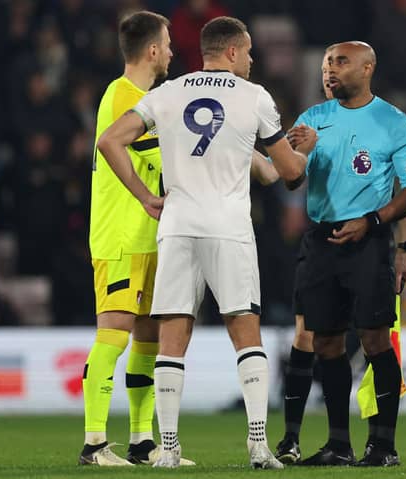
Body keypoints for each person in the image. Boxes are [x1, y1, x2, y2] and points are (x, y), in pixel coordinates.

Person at [96, 16, 307, 469]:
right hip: (228, 226)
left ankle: (167, 448)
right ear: (231, 52)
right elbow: (288, 174)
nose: (251, 60)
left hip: (176, 224)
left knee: (173, 335)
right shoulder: (253, 97)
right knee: (243, 330)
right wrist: (303, 153)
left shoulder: (167, 93)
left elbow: (110, 141)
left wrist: (147, 197)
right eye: (248, 52)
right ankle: (256, 444)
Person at [285, 41, 406, 467]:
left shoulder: (394, 123)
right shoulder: (312, 119)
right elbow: (291, 181)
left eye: (340, 62)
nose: (329, 70)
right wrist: (301, 152)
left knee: (374, 339)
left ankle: (383, 446)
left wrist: (378, 225)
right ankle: (338, 445)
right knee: (326, 342)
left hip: (369, 239)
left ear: (367, 68)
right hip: (321, 240)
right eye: (327, 62)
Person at [80, 11, 196, 467]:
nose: (170, 52)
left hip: (151, 235)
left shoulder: (146, 98)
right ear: (151, 50)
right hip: (121, 233)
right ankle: (93, 443)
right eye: (166, 44)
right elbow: (152, 150)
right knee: (114, 331)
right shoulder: (121, 96)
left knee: (147, 336)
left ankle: (142, 441)